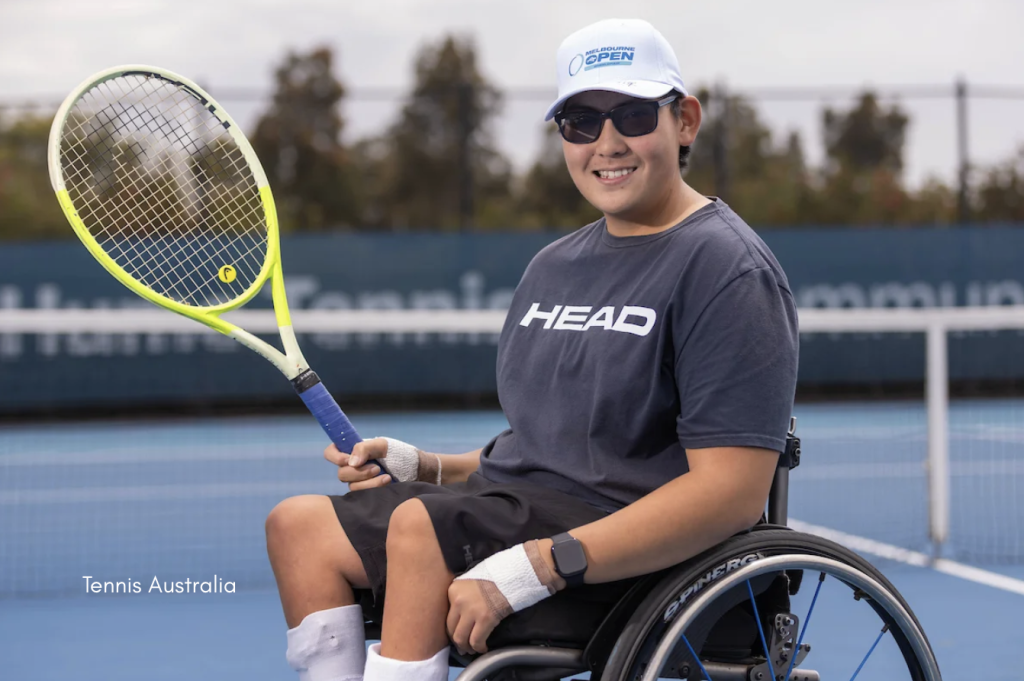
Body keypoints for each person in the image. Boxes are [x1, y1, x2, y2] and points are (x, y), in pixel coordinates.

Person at [265, 17, 799, 681]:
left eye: (631, 114)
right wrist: (424, 465)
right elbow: (546, 454)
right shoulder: (553, 266)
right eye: (580, 122)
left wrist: (541, 564)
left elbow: (730, 494)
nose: (606, 142)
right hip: (524, 516)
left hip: (636, 558)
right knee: (299, 527)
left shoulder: (727, 268)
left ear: (684, 121)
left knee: (418, 531)